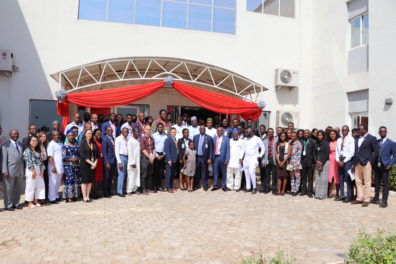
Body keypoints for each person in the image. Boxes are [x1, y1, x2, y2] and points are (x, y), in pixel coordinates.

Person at [351, 124, 379, 207]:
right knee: (358, 181)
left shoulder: (372, 138)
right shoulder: (356, 138)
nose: (359, 130)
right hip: (357, 162)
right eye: (358, 129)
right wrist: (354, 162)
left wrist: (370, 161)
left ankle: (366, 199)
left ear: (365, 130)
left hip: (366, 162)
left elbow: (376, 151)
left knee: (367, 181)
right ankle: (359, 198)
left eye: (361, 129)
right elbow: (356, 150)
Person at [371, 126, 396, 208]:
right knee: (376, 183)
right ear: (379, 132)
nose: (382, 133)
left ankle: (384, 201)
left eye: (384, 131)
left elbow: (395, 156)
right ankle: (376, 198)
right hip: (376, 166)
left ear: (386, 132)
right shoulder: (377, 142)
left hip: (385, 166)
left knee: (385, 184)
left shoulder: (391, 143)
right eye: (381, 131)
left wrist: (390, 164)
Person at [2, 130, 24, 210]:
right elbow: (3, 159)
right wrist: (5, 171)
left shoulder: (20, 145)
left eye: (17, 134)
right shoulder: (5, 145)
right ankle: (8, 205)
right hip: (9, 171)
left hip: (20, 170)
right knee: (8, 189)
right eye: (14, 134)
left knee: (17, 188)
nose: (16, 135)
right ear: (10, 135)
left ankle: (16, 203)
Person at [23, 135, 45, 208]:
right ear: (29, 142)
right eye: (33, 141)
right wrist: (33, 170)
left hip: (39, 169)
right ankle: (29, 202)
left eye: (36, 141)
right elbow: (28, 161)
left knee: (39, 185)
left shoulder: (38, 150)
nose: (35, 142)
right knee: (30, 185)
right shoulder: (27, 150)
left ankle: (36, 200)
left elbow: (41, 161)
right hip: (31, 170)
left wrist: (42, 170)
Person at [335, 125, 355, 202]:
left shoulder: (351, 139)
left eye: (345, 130)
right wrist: (337, 160)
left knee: (348, 178)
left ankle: (349, 196)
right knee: (341, 178)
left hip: (348, 161)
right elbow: (337, 151)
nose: (344, 132)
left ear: (348, 131)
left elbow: (351, 152)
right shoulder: (339, 139)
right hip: (340, 161)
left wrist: (344, 161)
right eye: (343, 130)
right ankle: (342, 194)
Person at [243, 127, 265, 194]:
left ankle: (254, 188)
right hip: (246, 159)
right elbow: (243, 149)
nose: (246, 133)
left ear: (252, 132)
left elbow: (263, 148)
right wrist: (241, 158)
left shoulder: (257, 139)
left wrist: (260, 156)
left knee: (251, 172)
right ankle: (248, 187)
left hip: (254, 158)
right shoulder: (245, 139)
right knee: (246, 173)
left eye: (247, 132)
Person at [79, 129, 98, 202]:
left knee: (90, 181)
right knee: (85, 181)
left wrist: (95, 163)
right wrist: (91, 163)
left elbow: (97, 155)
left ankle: (88, 196)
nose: (90, 134)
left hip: (93, 165)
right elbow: (82, 155)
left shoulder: (94, 143)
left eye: (91, 133)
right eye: (88, 133)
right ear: (85, 134)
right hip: (85, 164)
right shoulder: (82, 143)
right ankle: (84, 197)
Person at [193, 124, 213, 191]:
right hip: (197, 157)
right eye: (201, 129)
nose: (202, 130)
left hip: (205, 158)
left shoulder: (209, 138)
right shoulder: (195, 137)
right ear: (199, 130)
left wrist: (210, 158)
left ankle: (205, 185)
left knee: (204, 172)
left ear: (205, 129)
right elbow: (193, 147)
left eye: (203, 129)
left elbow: (211, 149)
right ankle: (196, 185)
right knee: (197, 172)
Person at [62, 130, 80, 202]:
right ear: (67, 136)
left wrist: (78, 159)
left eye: (72, 135)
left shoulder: (76, 144)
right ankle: (68, 196)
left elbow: (79, 154)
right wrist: (71, 159)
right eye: (69, 135)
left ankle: (74, 195)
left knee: (75, 179)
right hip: (68, 165)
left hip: (76, 165)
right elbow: (63, 157)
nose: (71, 137)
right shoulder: (65, 146)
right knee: (69, 179)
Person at [47, 131, 64, 203]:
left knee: (58, 182)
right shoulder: (51, 144)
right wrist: (53, 167)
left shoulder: (60, 144)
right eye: (55, 135)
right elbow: (50, 156)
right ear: (52, 136)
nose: (56, 136)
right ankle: (51, 198)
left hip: (60, 166)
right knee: (52, 182)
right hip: (53, 167)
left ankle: (56, 195)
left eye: (57, 135)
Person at [212, 127, 230, 191]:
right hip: (215, 158)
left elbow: (228, 150)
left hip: (223, 158)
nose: (219, 131)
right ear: (217, 131)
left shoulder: (226, 139)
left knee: (223, 172)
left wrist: (227, 159)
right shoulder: (214, 138)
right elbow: (212, 149)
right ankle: (215, 185)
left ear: (222, 131)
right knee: (215, 172)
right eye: (218, 130)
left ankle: (223, 186)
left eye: (221, 130)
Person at [314, 130, 330, 200]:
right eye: (318, 135)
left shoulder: (326, 143)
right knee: (318, 179)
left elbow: (327, 154)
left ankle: (322, 195)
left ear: (323, 136)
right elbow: (313, 153)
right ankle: (317, 194)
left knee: (323, 180)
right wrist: (316, 161)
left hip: (325, 163)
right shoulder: (315, 143)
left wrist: (322, 163)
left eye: (321, 135)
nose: (319, 136)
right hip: (317, 163)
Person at [261, 128, 277, 194]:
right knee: (267, 175)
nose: (271, 133)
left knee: (274, 175)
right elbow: (262, 152)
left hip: (274, 159)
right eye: (269, 132)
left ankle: (274, 189)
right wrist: (263, 160)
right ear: (267, 133)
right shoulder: (264, 141)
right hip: (267, 159)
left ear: (273, 133)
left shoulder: (277, 140)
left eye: (272, 132)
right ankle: (267, 188)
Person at [300, 129, 315, 198]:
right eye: (305, 133)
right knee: (303, 177)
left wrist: (313, 162)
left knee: (310, 177)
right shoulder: (301, 141)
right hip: (302, 161)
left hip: (310, 161)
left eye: (307, 133)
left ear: (309, 134)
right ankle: (303, 191)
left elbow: (314, 153)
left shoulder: (312, 141)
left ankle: (309, 191)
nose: (306, 134)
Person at [140, 124, 155, 195]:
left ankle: (148, 188)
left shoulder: (151, 138)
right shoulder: (143, 139)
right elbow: (143, 149)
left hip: (151, 158)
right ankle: (143, 189)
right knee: (144, 174)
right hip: (145, 158)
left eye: (149, 129)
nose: (149, 131)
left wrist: (153, 156)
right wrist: (149, 157)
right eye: (147, 129)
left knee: (149, 174)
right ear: (144, 130)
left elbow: (154, 148)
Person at [152, 123, 167, 192]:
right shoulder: (154, 135)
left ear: (163, 128)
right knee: (155, 172)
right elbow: (152, 146)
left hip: (163, 155)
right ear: (157, 128)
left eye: (162, 127)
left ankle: (159, 186)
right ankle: (154, 186)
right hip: (156, 155)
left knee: (161, 172)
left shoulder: (165, 136)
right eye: (159, 127)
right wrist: (157, 156)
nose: (160, 128)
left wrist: (163, 155)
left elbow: (166, 147)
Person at [102, 126, 116, 198]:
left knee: (110, 177)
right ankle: (105, 192)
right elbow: (104, 152)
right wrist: (107, 162)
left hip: (113, 161)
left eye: (111, 130)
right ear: (106, 131)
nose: (110, 131)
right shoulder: (105, 139)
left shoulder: (112, 138)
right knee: (107, 178)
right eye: (109, 130)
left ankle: (109, 191)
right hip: (108, 162)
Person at [115, 127, 129, 197]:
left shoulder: (127, 139)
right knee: (121, 175)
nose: (126, 133)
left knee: (125, 175)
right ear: (122, 132)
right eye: (125, 132)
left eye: (127, 132)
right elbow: (116, 151)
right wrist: (119, 162)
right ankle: (119, 191)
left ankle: (123, 190)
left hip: (127, 157)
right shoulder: (118, 139)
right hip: (121, 157)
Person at [164, 128, 178, 193]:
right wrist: (169, 159)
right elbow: (166, 150)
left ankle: (171, 186)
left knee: (172, 174)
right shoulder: (168, 139)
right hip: (169, 160)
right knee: (168, 174)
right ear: (170, 132)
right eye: (172, 132)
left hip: (174, 159)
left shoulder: (175, 139)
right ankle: (168, 187)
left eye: (175, 132)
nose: (174, 133)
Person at [127, 128, 141, 194]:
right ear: (133, 132)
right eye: (136, 132)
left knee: (136, 175)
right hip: (132, 161)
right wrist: (132, 162)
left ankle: (134, 189)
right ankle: (129, 190)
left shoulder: (137, 140)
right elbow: (130, 152)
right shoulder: (130, 141)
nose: (137, 133)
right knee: (131, 176)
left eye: (138, 132)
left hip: (137, 160)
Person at [289, 132, 302, 196]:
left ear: (296, 136)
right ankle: (292, 189)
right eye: (292, 136)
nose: (293, 137)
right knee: (292, 177)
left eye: (294, 136)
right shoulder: (290, 143)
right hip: (291, 163)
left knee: (297, 177)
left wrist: (297, 164)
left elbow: (299, 155)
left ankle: (296, 190)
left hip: (296, 163)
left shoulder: (298, 143)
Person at [327, 130, 340, 198]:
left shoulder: (339, 141)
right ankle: (329, 192)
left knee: (336, 176)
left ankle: (337, 193)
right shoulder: (328, 142)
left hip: (336, 160)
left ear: (336, 134)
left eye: (333, 134)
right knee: (330, 177)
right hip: (330, 160)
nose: (332, 135)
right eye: (331, 134)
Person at [38, 132, 49, 202]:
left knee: (45, 181)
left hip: (45, 164)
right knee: (40, 181)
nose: (43, 138)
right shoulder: (37, 146)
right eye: (42, 136)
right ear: (39, 137)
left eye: (44, 136)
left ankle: (44, 197)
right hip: (39, 165)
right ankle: (39, 198)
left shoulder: (45, 145)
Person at [92, 129, 103, 199]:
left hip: (100, 161)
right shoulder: (93, 141)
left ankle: (95, 192)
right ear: (94, 134)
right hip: (96, 161)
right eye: (97, 133)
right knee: (94, 178)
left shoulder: (99, 141)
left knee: (98, 178)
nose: (99, 134)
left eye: (100, 133)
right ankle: (93, 193)